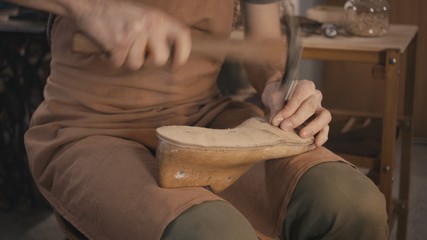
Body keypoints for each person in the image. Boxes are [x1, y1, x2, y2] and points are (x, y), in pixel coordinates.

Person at [4, 0, 389, 239]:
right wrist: (90, 7)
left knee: (352, 204)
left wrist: (276, 83)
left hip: (203, 115)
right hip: (86, 124)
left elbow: (265, 41)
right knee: (212, 233)